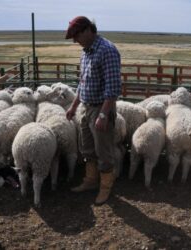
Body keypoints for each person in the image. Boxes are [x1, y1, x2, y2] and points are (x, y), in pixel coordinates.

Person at [65, 16, 122, 205]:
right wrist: (74, 106)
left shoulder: (107, 50)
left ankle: (105, 187)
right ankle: (90, 180)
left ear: (88, 30)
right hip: (86, 107)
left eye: (76, 35)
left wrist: (104, 114)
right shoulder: (86, 52)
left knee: (103, 150)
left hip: (101, 108)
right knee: (87, 148)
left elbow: (112, 88)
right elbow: (82, 83)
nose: (75, 40)